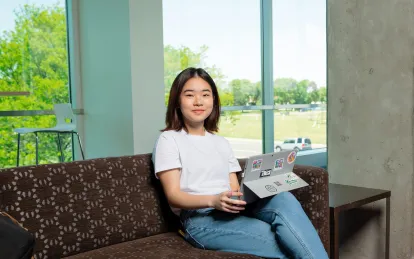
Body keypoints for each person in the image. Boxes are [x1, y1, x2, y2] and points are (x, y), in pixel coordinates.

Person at [152, 67, 328, 259]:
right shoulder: (169, 140)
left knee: (283, 198)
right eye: (189, 95)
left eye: (205, 94)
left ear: (213, 100)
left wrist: (248, 192)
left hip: (229, 211)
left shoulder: (221, 142)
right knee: (287, 244)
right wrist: (213, 200)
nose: (198, 101)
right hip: (200, 220)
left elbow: (234, 188)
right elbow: (174, 196)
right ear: (177, 101)